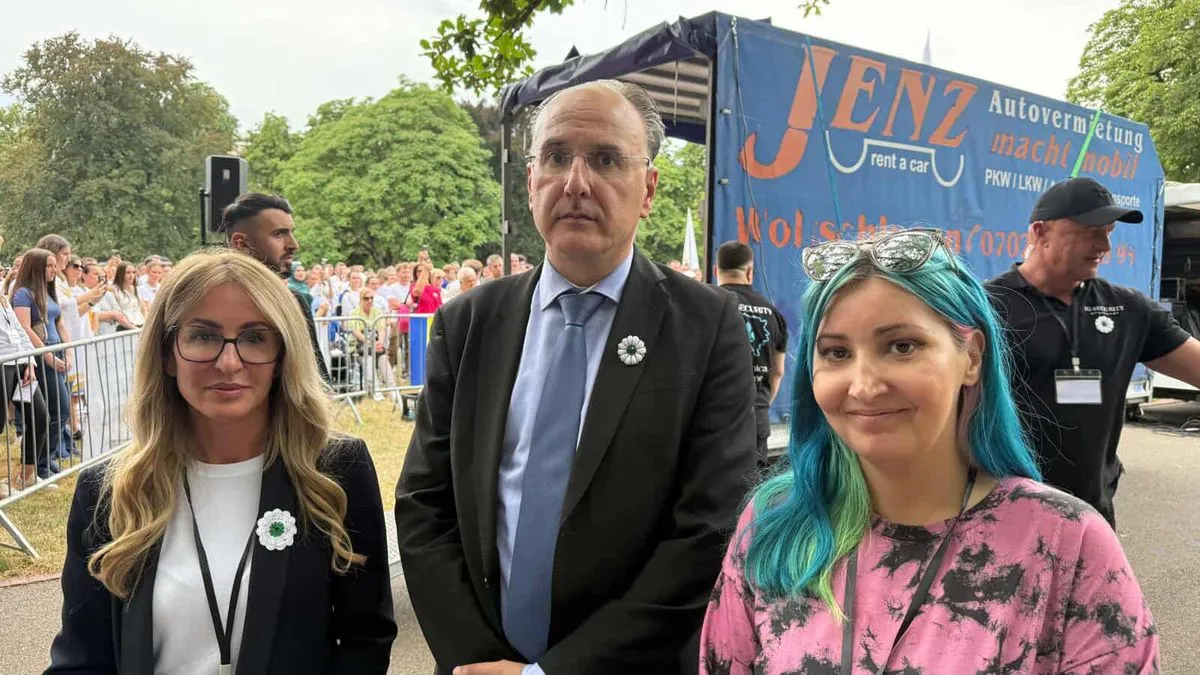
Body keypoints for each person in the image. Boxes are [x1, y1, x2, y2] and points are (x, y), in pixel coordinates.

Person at [395, 79, 756, 675]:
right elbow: (425, 504)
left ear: (648, 189)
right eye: (557, 157)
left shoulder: (706, 326)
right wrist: (474, 658)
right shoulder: (468, 323)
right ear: (531, 178)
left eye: (607, 159)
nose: (576, 183)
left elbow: (708, 530)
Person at [701, 228, 1159, 673]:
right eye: (837, 353)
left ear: (972, 358)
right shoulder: (774, 522)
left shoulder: (1067, 545)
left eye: (901, 346)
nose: (863, 386)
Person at [46, 249, 396, 674]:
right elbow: (82, 659)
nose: (229, 363)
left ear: (282, 355)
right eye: (203, 336)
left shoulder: (335, 472)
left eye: (254, 338)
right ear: (166, 353)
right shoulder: (110, 490)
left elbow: (364, 641)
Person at [987, 177, 1200, 527]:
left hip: (1091, 517)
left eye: (1109, 232)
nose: (1105, 246)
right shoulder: (987, 307)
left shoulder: (1128, 310)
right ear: (1040, 233)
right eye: (1090, 232)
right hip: (1004, 517)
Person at [222, 192, 331, 384]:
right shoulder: (206, 302)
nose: (294, 245)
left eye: (291, 232)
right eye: (278, 234)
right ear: (240, 243)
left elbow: (319, 384)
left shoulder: (295, 302)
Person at [715, 241, 788, 467]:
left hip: (713, 421)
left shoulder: (706, 303)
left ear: (717, 271)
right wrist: (761, 403)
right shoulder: (772, 313)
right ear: (749, 271)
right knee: (751, 496)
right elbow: (777, 371)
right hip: (756, 420)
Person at [10, 248, 72, 473]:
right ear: (36, 267)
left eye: (55, 265)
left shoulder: (49, 291)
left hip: (57, 354)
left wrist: (69, 351)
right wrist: (47, 356)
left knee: (58, 411)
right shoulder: (23, 294)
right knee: (56, 410)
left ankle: (47, 458)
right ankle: (40, 463)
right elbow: (24, 327)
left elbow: (59, 324)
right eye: (49, 265)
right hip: (39, 359)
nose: (54, 270)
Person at [1, 242, 51, 493]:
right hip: (2, 364)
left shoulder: (3, 295)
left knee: (40, 416)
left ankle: (28, 476)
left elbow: (17, 330)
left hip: (20, 363)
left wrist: (30, 360)